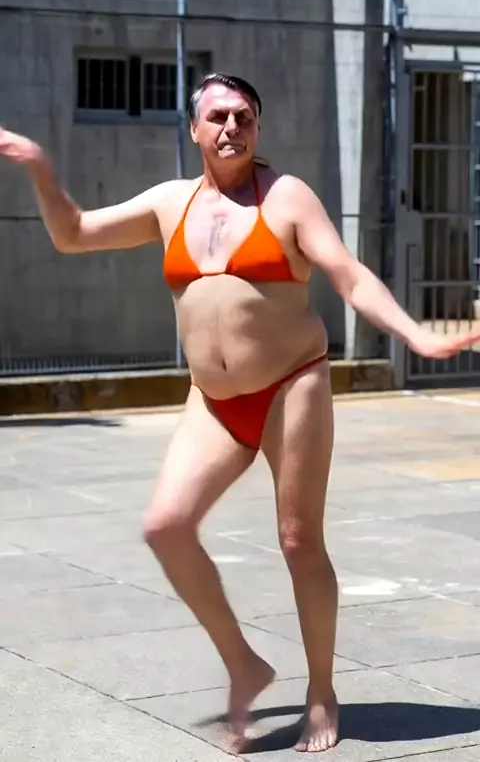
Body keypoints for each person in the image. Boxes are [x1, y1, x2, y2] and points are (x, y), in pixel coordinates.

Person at [1, 72, 479, 754]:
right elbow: (73, 234)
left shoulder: (286, 197)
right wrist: (40, 168)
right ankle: (244, 664)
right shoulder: (170, 202)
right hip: (214, 400)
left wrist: (414, 334)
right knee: (166, 527)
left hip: (291, 385)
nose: (232, 127)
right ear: (195, 129)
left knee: (299, 541)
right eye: (219, 116)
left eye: (245, 117)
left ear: (257, 127)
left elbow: (346, 274)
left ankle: (321, 691)